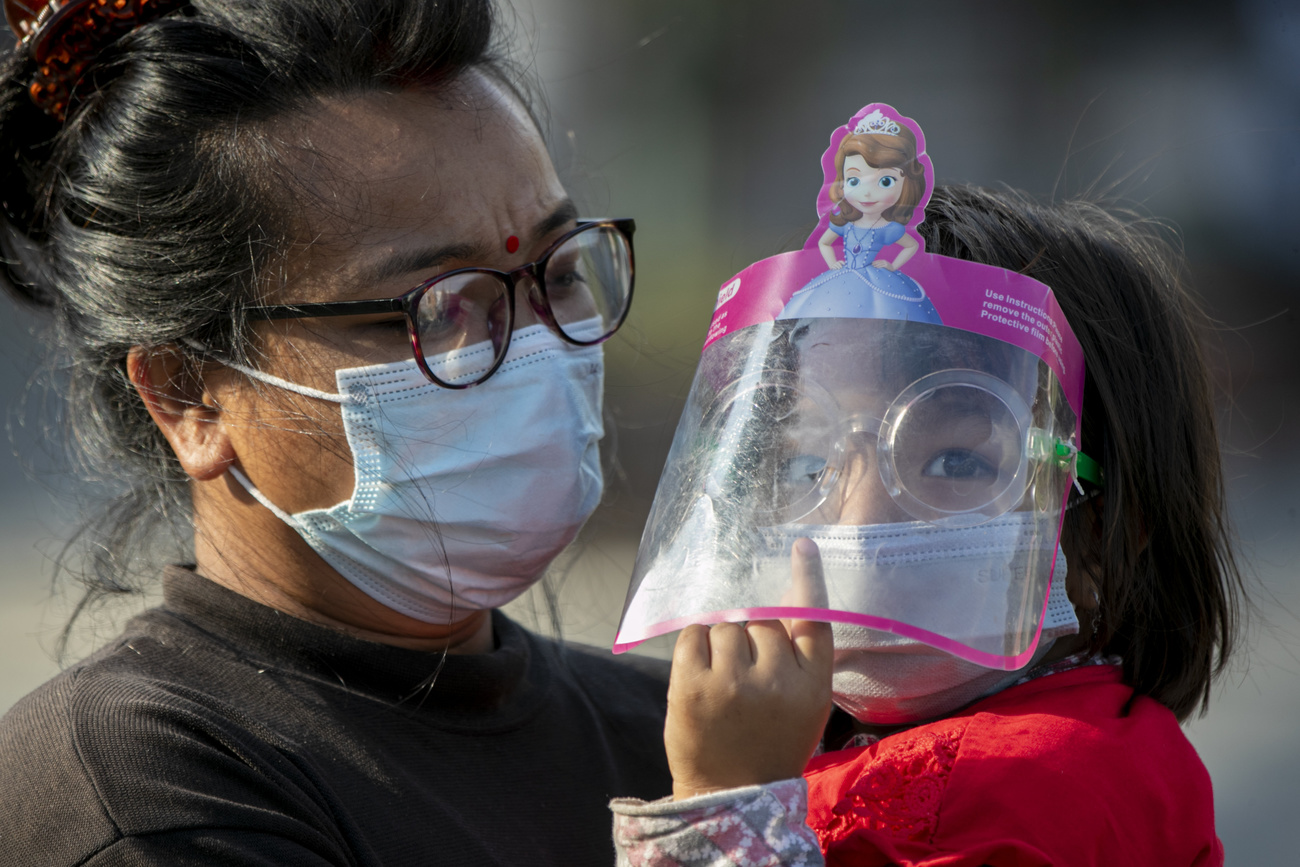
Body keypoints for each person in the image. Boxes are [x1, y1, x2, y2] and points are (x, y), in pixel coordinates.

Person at [0, 1, 671, 863]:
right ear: (188, 396)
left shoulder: (674, 727)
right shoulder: (154, 789)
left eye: (561, 271)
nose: (534, 348)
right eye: (435, 308)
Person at [608, 151, 1239, 862]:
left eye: (956, 461)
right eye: (806, 464)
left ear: (1100, 538)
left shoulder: (1039, 780)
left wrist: (723, 806)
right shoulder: (852, 743)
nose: (860, 519)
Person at [779, 107, 941, 324]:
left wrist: (892, 266)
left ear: (907, 185)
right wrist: (832, 263)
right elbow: (824, 243)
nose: (867, 192)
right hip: (839, 279)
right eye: (854, 181)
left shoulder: (888, 228)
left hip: (879, 281)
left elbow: (911, 245)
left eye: (886, 181)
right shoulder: (846, 224)